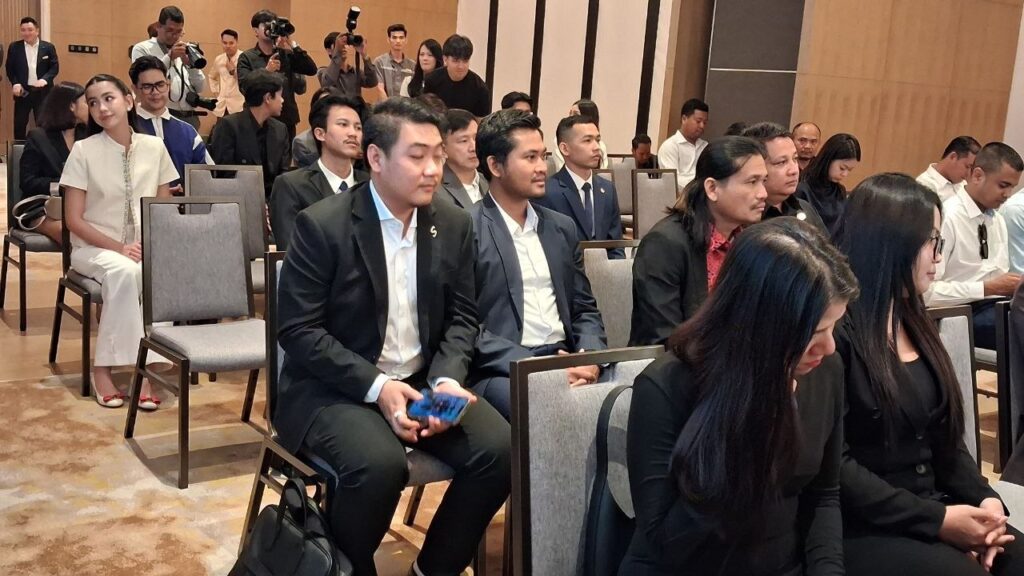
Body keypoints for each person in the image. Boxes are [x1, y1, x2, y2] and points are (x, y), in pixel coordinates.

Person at [275, 97, 510, 576]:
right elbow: (298, 331)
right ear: (376, 158)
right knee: (379, 466)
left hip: (421, 386)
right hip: (337, 390)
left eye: (438, 155)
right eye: (417, 156)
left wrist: (446, 381)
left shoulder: (451, 222)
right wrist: (379, 388)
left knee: (500, 449)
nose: (433, 169)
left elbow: (463, 318)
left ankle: (434, 568)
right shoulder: (323, 224)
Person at [621, 217, 857, 575]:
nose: (828, 347)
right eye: (815, 331)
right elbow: (666, 543)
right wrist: (755, 427)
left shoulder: (825, 371)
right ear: (761, 323)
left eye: (834, 327)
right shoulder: (667, 386)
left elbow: (823, 495)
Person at [834, 173, 1024, 576]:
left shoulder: (914, 318)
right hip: (867, 523)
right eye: (932, 241)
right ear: (891, 244)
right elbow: (836, 466)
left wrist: (986, 501)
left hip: (936, 506)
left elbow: (946, 440)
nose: (939, 256)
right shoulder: (835, 334)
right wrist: (940, 522)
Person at [468, 109, 607, 420]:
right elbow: (465, 327)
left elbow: (584, 307)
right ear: (495, 165)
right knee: (554, 409)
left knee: (632, 397)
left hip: (565, 356)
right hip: (504, 368)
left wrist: (588, 356)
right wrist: (540, 368)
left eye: (543, 156)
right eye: (529, 158)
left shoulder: (561, 227)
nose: (542, 167)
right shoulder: (468, 229)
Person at [59, 74, 178, 410]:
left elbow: (161, 208)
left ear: (128, 100)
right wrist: (120, 248)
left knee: (158, 271)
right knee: (126, 271)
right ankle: (105, 369)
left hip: (140, 248)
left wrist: (148, 246)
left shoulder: (154, 147)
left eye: (108, 98)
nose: (101, 107)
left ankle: (145, 371)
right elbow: (73, 220)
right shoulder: (83, 151)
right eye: (93, 102)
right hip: (91, 250)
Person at [629, 136, 768, 346]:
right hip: (679, 361)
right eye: (752, 182)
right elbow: (665, 338)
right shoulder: (665, 244)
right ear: (712, 188)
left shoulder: (751, 240)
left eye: (764, 181)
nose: (763, 193)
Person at [926, 142, 1024, 349]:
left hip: (995, 307)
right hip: (956, 313)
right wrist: (986, 288)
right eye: (1003, 185)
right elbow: (927, 293)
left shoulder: (997, 220)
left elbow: (999, 278)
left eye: (1012, 188)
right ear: (978, 176)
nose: (1007, 194)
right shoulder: (947, 217)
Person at [269, 94, 367, 250]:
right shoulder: (291, 186)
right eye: (343, 124)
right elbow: (290, 249)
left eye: (358, 127)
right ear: (320, 133)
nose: (353, 133)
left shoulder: (371, 185)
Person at [536, 115, 625, 258]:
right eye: (587, 140)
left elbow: (615, 244)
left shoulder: (607, 189)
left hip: (604, 268)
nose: (596, 147)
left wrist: (613, 269)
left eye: (597, 140)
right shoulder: (547, 191)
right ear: (565, 149)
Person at [18, 82, 88, 245]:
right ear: (71, 106)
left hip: (81, 206)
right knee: (70, 233)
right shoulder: (38, 137)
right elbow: (27, 181)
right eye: (87, 102)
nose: (92, 107)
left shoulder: (87, 136)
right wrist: (61, 186)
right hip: (43, 207)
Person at [129, 56, 212, 193]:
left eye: (160, 85)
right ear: (135, 89)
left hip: (182, 204)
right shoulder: (126, 129)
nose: (155, 92)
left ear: (168, 85)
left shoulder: (188, 131)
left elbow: (206, 177)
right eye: (147, 87)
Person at [237, 9, 317, 141]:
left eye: (273, 24)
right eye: (265, 24)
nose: (270, 27)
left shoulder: (286, 54)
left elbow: (311, 69)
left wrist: (292, 44)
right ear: (256, 31)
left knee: (285, 154)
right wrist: (266, 71)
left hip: (286, 118)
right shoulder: (247, 57)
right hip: (258, 119)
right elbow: (244, 87)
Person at [208, 69, 289, 199]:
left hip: (273, 201)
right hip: (238, 200)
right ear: (268, 98)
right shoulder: (229, 126)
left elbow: (283, 174)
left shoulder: (280, 129)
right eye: (280, 95)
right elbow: (225, 174)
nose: (283, 100)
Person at [742, 122, 827, 232]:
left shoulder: (805, 208)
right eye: (781, 162)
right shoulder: (742, 217)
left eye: (795, 159)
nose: (794, 170)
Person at [130, 6, 205, 130]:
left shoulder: (184, 50)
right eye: (170, 30)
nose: (174, 36)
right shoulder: (142, 48)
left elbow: (200, 87)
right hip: (158, 115)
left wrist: (192, 67)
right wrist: (169, 57)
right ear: (158, 26)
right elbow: (145, 79)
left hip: (189, 117)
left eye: (179, 31)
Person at [795, 132, 861, 234]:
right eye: (842, 168)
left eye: (849, 170)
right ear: (829, 159)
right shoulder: (803, 189)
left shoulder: (840, 190)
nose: (845, 174)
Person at [6, 17, 59, 140]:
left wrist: (45, 80)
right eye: (23, 30)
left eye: (30, 30)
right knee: (19, 124)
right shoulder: (14, 47)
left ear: (37, 31)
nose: (26, 33)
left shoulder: (48, 47)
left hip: (42, 92)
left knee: (43, 125)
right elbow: (9, 68)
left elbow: (54, 67)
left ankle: (43, 149)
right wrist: (15, 83)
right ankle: (20, 150)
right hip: (23, 92)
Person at [423, 35, 490, 118]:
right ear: (445, 59)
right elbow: (426, 113)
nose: (461, 66)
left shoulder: (480, 88)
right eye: (455, 61)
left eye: (465, 61)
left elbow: (482, 120)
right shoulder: (432, 80)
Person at [436, 108, 487, 208]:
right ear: (443, 149)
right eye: (464, 141)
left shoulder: (491, 182)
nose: (473, 147)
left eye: (476, 138)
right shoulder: (436, 188)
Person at [658, 98, 709, 190]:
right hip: (679, 196)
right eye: (698, 121)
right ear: (684, 119)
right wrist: (697, 188)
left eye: (705, 123)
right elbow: (672, 180)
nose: (702, 126)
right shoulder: (670, 146)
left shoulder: (705, 146)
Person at [551, 99, 610, 172]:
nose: (570, 117)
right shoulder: (561, 140)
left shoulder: (601, 145)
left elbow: (603, 172)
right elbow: (562, 168)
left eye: (575, 114)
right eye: (570, 113)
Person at [917, 136, 981, 202]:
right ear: (953, 157)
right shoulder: (924, 186)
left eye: (971, 169)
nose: (968, 174)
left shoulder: (963, 183)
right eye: (967, 167)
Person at [318, 31, 378, 98]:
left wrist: (364, 55)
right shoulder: (323, 71)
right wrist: (338, 53)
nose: (343, 47)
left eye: (345, 44)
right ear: (329, 50)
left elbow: (372, 82)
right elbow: (328, 83)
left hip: (355, 105)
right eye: (338, 45)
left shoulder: (355, 71)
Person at [208, 28, 244, 119]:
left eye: (231, 43)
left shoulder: (244, 58)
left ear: (237, 42)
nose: (228, 46)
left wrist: (233, 72)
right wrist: (216, 92)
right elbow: (211, 76)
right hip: (222, 105)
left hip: (239, 106)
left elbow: (248, 79)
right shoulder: (219, 59)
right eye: (225, 43)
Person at [372, 24, 414, 99]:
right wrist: (389, 106)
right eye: (394, 37)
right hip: (386, 105)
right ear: (388, 40)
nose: (398, 41)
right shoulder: (380, 62)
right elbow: (380, 88)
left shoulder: (412, 65)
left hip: (406, 105)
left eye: (401, 38)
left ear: (406, 40)